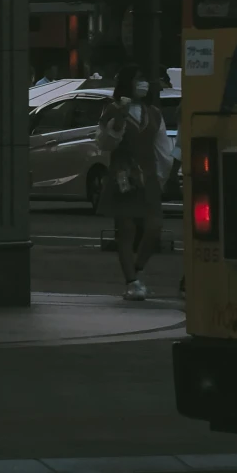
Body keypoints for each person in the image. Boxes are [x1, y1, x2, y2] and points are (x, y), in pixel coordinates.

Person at [93, 64, 170, 302]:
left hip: (147, 178)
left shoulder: (154, 113)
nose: (143, 84)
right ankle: (131, 282)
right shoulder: (112, 110)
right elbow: (105, 143)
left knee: (154, 227)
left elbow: (163, 150)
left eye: (144, 79)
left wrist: (160, 178)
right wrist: (119, 119)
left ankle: (137, 270)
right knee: (125, 230)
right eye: (138, 79)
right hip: (122, 176)